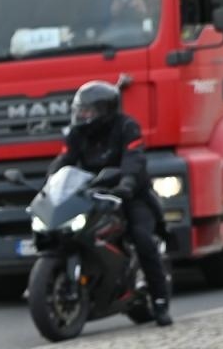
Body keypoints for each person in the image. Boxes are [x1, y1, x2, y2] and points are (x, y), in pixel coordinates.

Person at [48, 80, 171, 326]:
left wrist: (126, 183)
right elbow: (65, 160)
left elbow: (134, 158)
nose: (83, 115)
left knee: (141, 238)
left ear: (105, 111)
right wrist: (52, 181)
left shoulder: (127, 127)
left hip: (130, 194)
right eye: (80, 110)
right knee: (66, 231)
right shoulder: (77, 133)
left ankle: (159, 301)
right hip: (92, 192)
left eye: (88, 111)